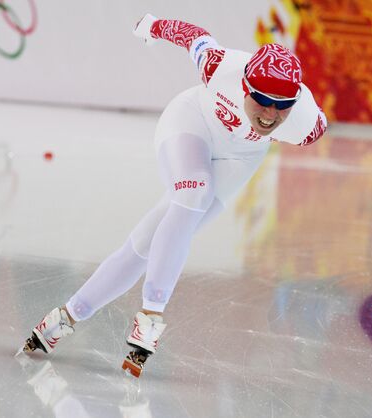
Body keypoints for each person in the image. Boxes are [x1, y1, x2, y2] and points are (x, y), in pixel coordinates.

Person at [20, 13, 327, 377]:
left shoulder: (307, 123)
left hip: (238, 159)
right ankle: (151, 314)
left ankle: (66, 316)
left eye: (282, 104)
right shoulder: (220, 67)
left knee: (147, 243)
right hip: (191, 124)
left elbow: (291, 120)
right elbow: (193, 35)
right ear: (244, 87)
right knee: (194, 188)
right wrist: (150, 24)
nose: (270, 113)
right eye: (261, 99)